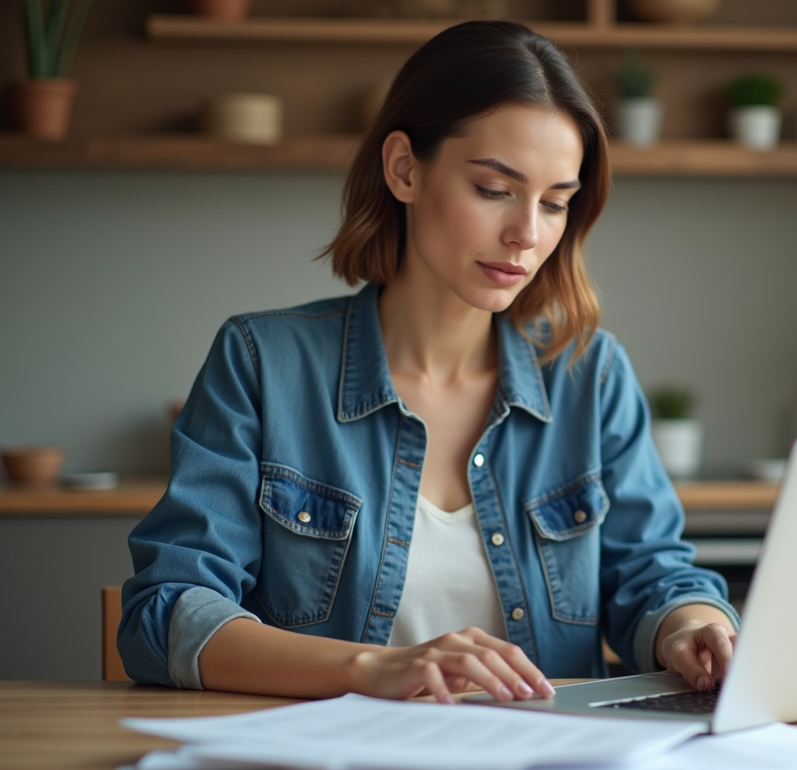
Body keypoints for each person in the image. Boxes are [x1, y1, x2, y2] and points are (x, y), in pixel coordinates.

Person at [118, 20, 738, 705]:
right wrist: (369, 668)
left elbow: (653, 576)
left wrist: (693, 625)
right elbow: (165, 613)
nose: (527, 235)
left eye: (556, 203)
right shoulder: (262, 363)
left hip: (546, 768)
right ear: (404, 169)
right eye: (493, 189)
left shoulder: (590, 374)